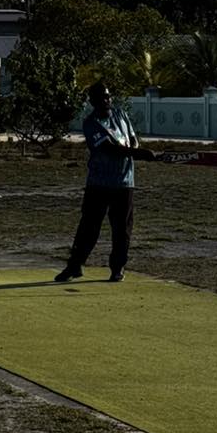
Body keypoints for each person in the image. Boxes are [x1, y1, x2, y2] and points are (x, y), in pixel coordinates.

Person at [55, 82, 154, 284]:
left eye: (108, 97)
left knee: (122, 229)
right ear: (93, 102)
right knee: (88, 227)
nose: (106, 101)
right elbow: (109, 149)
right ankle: (75, 265)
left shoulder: (120, 115)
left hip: (124, 183)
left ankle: (118, 268)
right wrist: (139, 154)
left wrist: (137, 150)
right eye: (101, 98)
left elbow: (132, 140)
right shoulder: (91, 123)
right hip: (99, 183)